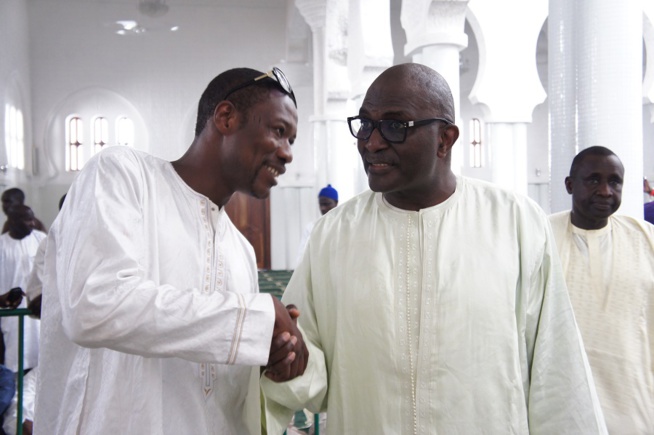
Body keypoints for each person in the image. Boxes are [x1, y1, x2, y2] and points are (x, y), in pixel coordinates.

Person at [261, 63, 606, 434]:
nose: (372, 142)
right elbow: (308, 370)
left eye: (395, 126)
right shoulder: (332, 235)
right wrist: (287, 361)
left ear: (445, 139)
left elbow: (558, 377)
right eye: (365, 124)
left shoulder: (516, 223)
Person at [33, 67, 308, 434]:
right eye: (279, 131)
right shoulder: (123, 175)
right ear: (225, 117)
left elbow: (218, 359)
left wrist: (270, 356)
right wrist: (250, 319)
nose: (288, 154)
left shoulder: (240, 249)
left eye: (292, 140)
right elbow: (93, 307)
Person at [549, 146, 654, 432]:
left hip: (634, 401)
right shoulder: (541, 236)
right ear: (570, 185)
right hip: (561, 402)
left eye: (615, 181)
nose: (606, 191)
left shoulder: (644, 237)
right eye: (594, 180)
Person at [0, 205, 46, 374]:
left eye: (32, 218)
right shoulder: (2, 245)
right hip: (12, 314)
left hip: (38, 310)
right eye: (27, 220)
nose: (32, 223)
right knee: (17, 361)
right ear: (13, 222)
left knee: (42, 359)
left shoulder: (41, 239)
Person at [294, 184, 339, 267]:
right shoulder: (311, 227)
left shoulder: (343, 226)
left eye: (326, 204)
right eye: (321, 204)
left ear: (336, 203)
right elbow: (302, 255)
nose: (323, 208)